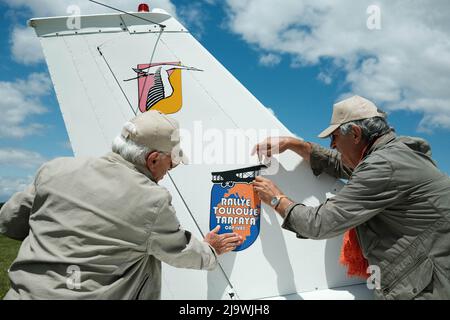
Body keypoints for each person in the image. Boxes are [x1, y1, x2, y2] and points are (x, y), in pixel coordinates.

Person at [0, 110, 242, 299]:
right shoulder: (152, 199)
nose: (172, 168)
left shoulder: (55, 169)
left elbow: (9, 221)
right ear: (153, 159)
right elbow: (180, 252)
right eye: (172, 161)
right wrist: (211, 250)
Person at [252, 95, 450, 300]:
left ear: (355, 134)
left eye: (335, 137)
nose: (333, 145)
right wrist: (295, 144)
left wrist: (277, 199)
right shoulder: (398, 155)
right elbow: (345, 164)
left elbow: (319, 224)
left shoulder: (384, 166)